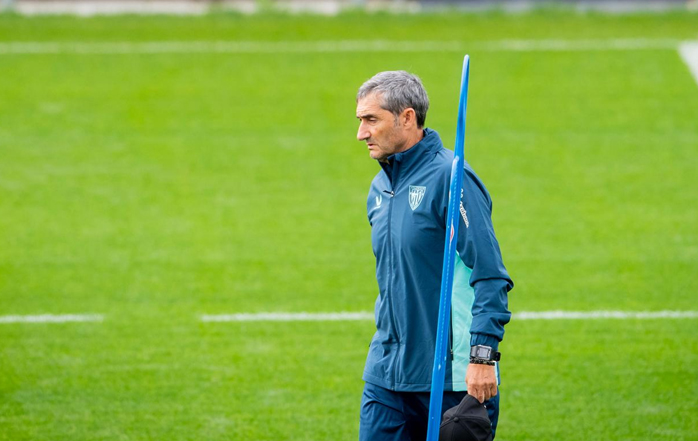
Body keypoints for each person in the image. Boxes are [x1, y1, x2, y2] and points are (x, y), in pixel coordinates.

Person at [355, 70, 513, 441]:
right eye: (360, 120)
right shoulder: (380, 188)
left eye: (371, 119)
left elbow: (490, 275)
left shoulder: (452, 179)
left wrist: (482, 357)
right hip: (386, 374)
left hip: (451, 379)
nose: (361, 133)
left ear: (407, 117)